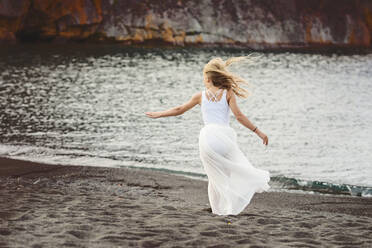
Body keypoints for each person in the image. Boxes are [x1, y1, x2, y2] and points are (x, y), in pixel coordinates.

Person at [145, 56, 270, 216]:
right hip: (225, 138)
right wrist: (258, 132)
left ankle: (218, 210)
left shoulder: (200, 96)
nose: (203, 80)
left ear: (209, 78)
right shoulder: (227, 93)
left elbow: (179, 110)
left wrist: (159, 114)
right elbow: (239, 116)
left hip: (208, 139)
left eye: (204, 77)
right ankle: (229, 207)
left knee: (213, 176)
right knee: (227, 173)